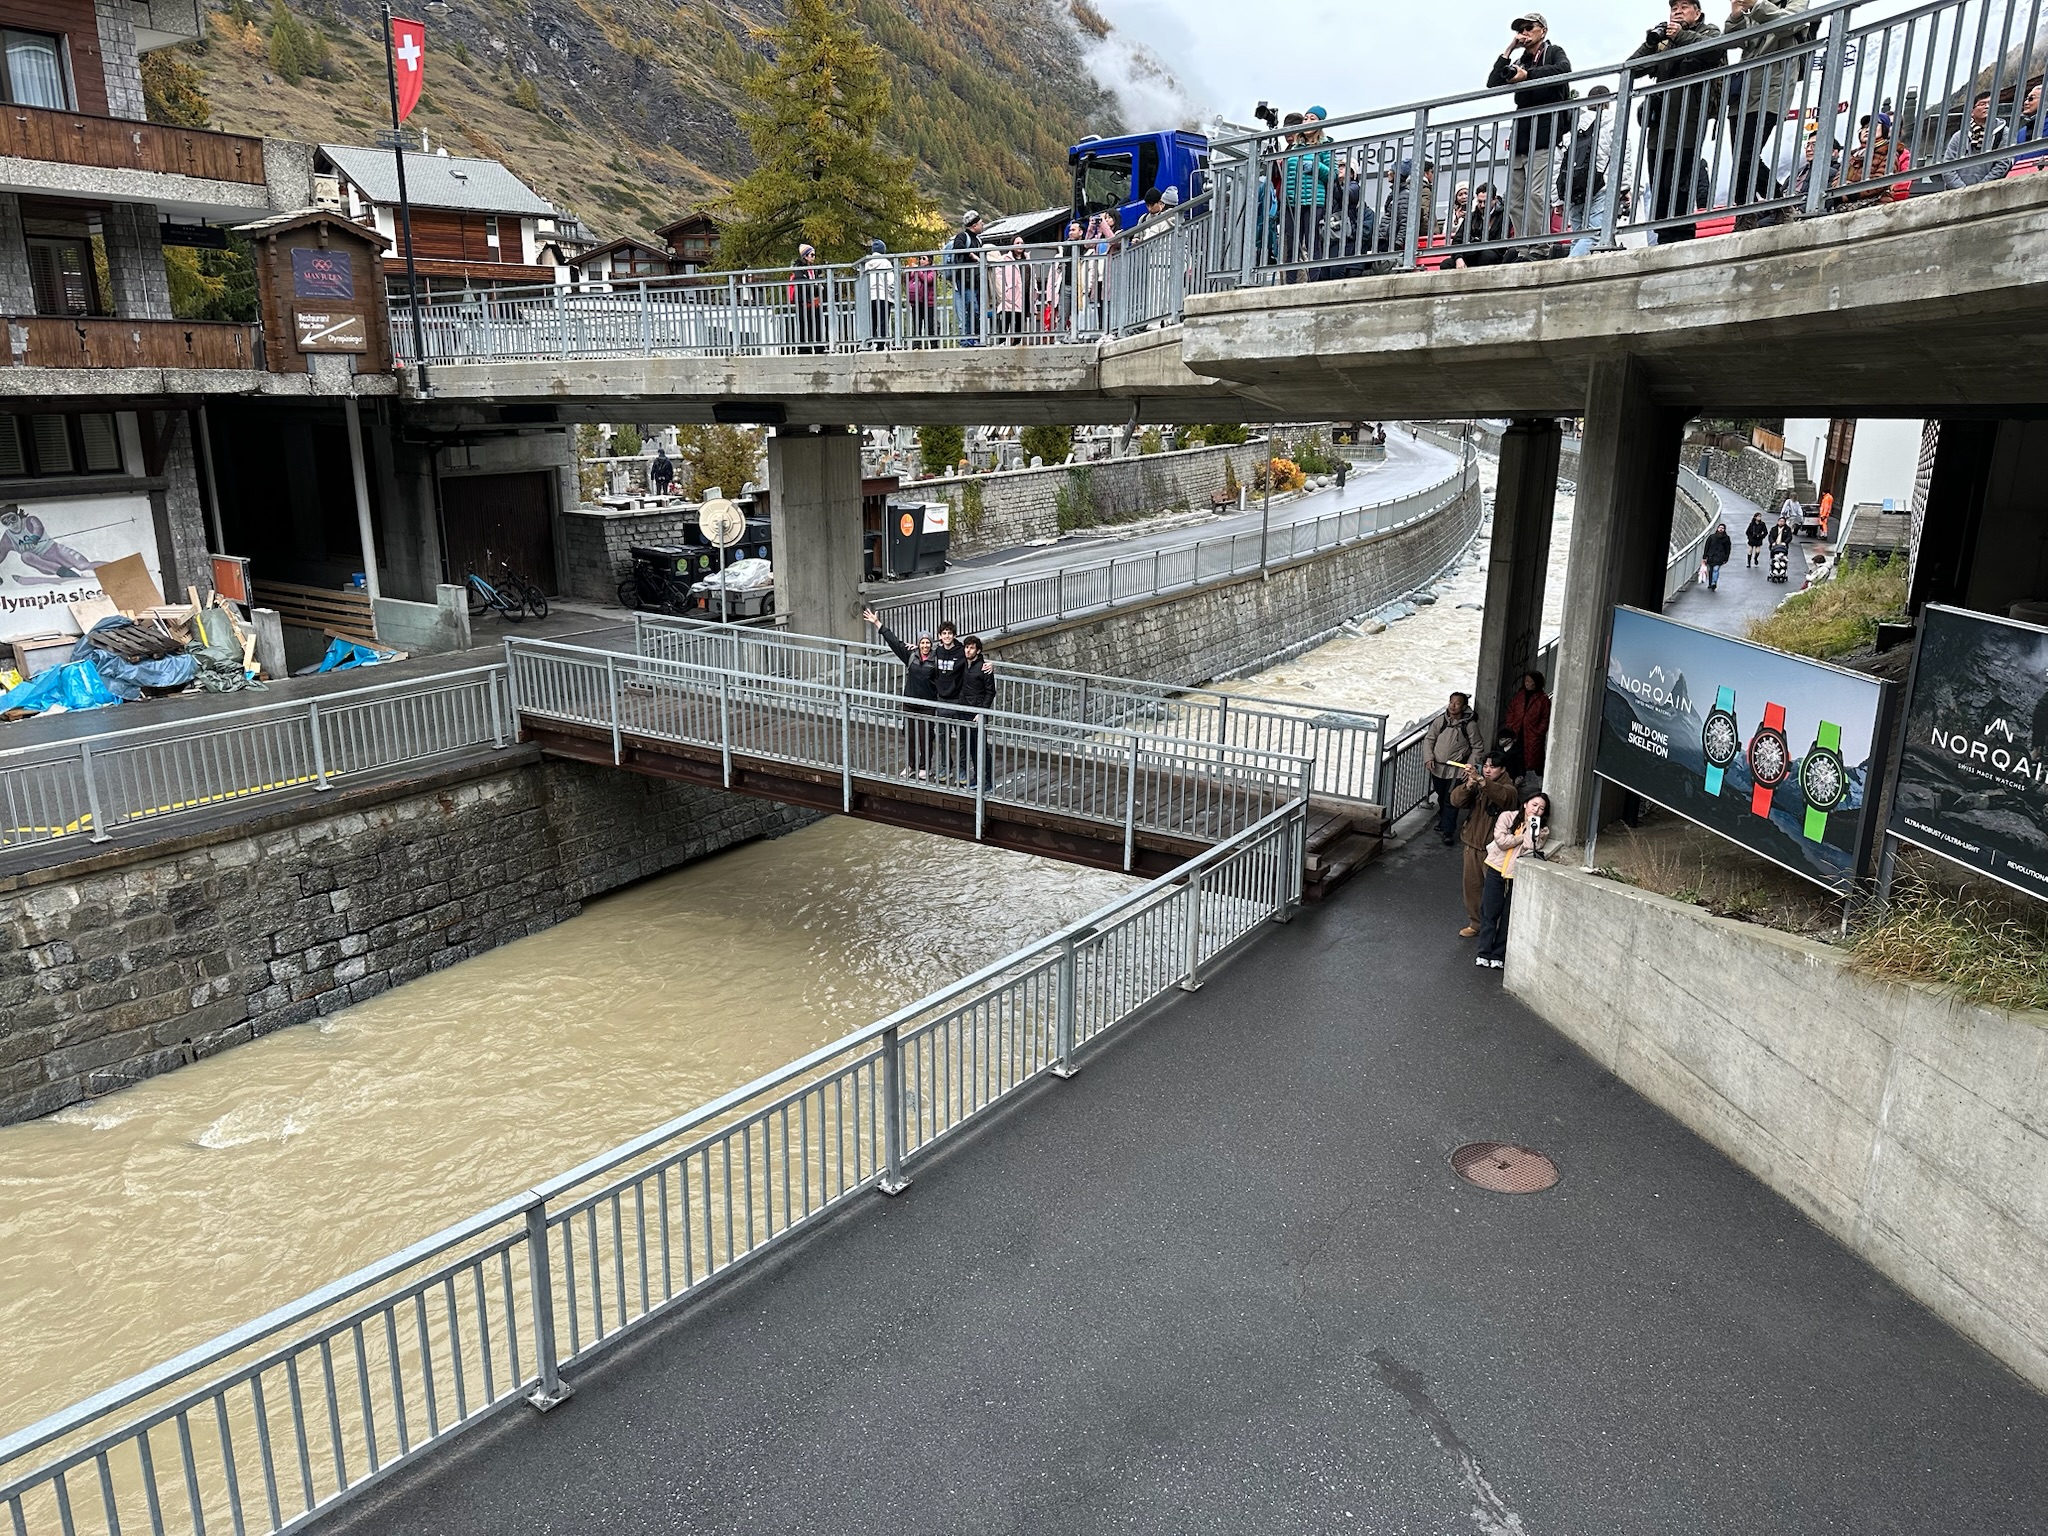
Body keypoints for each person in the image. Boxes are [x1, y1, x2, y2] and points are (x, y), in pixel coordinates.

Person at [1629, 0, 1726, 242]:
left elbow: (1714, 50)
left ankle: (1682, 237)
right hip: (1660, 126)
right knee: (1659, 185)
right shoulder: (1663, 41)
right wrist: (1650, 42)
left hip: (1689, 121)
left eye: (1684, 6)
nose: (1677, 11)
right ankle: (1664, 238)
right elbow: (1631, 67)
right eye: (1674, 8)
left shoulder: (1708, 31)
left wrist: (1681, 35)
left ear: (1698, 12)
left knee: (1680, 184)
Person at [1487, 13, 1574, 252]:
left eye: (1528, 28)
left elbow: (1564, 70)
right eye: (1520, 29)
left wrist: (1529, 76)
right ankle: (1523, 248)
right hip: (1522, 137)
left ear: (1542, 30)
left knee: (1537, 195)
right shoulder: (1520, 60)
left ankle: (1539, 247)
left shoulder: (1553, 51)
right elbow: (1493, 82)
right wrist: (1509, 50)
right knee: (1515, 201)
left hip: (1544, 135)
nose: (1524, 33)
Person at [1721, 0, 1804, 217]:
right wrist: (1736, 17)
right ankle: (1778, 204)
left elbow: (1789, 24)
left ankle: (1744, 213)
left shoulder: (1791, 2)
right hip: (1744, 91)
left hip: (1771, 89)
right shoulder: (1752, 8)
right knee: (1742, 156)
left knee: (1746, 155)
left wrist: (1756, 5)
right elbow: (1734, 41)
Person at [1476, 791, 1550, 968]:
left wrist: (1531, 831)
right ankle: (1483, 952)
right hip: (1496, 868)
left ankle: (1498, 954)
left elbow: (1531, 847)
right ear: (1525, 804)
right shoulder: (1507, 817)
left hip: (1516, 874)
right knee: (1490, 911)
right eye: (1534, 805)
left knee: (1508, 914)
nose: (1536, 810)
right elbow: (1501, 841)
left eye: (1541, 809)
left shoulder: (1542, 829)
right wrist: (1520, 836)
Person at [1452, 752, 1522, 937]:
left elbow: (1504, 797)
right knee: (1472, 886)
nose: (1488, 769)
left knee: (1495, 891)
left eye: (1493, 766)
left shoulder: (1509, 787)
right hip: (1472, 843)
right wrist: (1469, 785)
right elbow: (1456, 801)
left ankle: (1495, 927)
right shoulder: (1478, 783)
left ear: (1503, 769)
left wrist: (1482, 781)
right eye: (1486, 766)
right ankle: (1476, 923)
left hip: (1496, 849)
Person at [863, 608, 939, 776]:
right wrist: (877, 623)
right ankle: (911, 765)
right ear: (918, 643)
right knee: (910, 736)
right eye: (922, 642)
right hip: (910, 703)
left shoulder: (936, 659)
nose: (925, 645)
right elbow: (894, 642)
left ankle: (925, 767)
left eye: (928, 642)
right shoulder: (911, 655)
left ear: (931, 644)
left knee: (926, 737)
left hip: (927, 704)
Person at [1423, 692, 1486, 847]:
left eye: (1457, 703)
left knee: (1451, 799)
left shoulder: (1469, 725)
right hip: (1438, 768)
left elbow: (1477, 747)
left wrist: (1469, 766)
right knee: (1441, 795)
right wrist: (1428, 757)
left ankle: (1448, 832)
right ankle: (1444, 819)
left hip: (1457, 770)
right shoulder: (1440, 721)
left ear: (1464, 706)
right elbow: (1429, 739)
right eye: (1451, 702)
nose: (1453, 706)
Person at [1563, 86, 1617, 255]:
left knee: (1578, 236)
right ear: (1607, 103)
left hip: (1574, 186)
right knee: (1594, 234)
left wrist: (1556, 197)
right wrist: (1624, 187)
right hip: (1601, 185)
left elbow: (1560, 160)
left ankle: (1569, 276)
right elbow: (1623, 156)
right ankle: (1566, 271)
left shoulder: (1573, 128)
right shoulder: (1614, 124)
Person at [1281, 108, 1335, 278]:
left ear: (1320, 123)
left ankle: (1314, 281)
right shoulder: (1295, 147)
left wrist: (1316, 167)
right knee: (1291, 243)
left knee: (1312, 242)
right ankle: (1290, 283)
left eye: (1312, 118)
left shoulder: (1326, 145)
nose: (1308, 121)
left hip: (1314, 200)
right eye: (1305, 118)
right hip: (1292, 201)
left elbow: (1332, 174)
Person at [1942, 92, 2015, 190]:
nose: (1987, 107)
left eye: (1990, 103)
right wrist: (1962, 190)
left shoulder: (2003, 133)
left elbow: (2003, 163)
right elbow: (1948, 167)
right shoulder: (1959, 136)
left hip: (1990, 192)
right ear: (1972, 111)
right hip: (1958, 195)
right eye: (1982, 104)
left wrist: (1980, 188)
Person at [929, 620, 969, 779]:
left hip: (957, 701)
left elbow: (975, 660)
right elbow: (923, 654)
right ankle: (946, 767)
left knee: (961, 738)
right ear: (939, 636)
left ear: (954, 635)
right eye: (944, 633)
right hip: (941, 700)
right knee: (943, 737)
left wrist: (989, 665)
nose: (947, 636)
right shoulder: (937, 651)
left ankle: (962, 769)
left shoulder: (961, 651)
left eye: (949, 633)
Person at [957, 634, 997, 786]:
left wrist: (982, 712)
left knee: (982, 748)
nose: (968, 650)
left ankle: (987, 780)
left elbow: (990, 692)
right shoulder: (964, 664)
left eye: (971, 648)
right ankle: (977, 777)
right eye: (966, 647)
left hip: (977, 713)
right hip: (964, 710)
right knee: (972, 746)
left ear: (978, 651)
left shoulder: (984, 668)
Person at [1501, 670, 1551, 782]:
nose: (1527, 683)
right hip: (1516, 730)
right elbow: (1511, 710)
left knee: (1531, 757)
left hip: (1532, 734)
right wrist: (1510, 724)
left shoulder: (1543, 699)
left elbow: (1545, 717)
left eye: (1530, 681)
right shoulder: (1519, 695)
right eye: (1526, 681)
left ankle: (1528, 778)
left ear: (1536, 683)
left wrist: (1539, 731)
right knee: (1513, 754)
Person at [1451, 182, 1514, 266]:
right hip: (1471, 254)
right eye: (1480, 202)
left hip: (1492, 256)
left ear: (1494, 199)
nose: (1482, 205)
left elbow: (1500, 246)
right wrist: (1458, 258)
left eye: (1486, 202)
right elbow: (1457, 240)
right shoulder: (1472, 217)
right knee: (1447, 264)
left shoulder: (1504, 216)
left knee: (1487, 256)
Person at [947, 211, 985, 346]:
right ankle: (968, 340)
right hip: (965, 281)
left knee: (976, 310)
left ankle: (973, 338)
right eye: (981, 223)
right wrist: (972, 256)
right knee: (970, 310)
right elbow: (958, 246)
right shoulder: (963, 237)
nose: (983, 225)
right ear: (974, 225)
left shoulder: (978, 240)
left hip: (976, 281)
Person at [859, 238, 896, 348]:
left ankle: (868, 343)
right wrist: (893, 294)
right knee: (883, 321)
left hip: (870, 296)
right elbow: (891, 282)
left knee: (872, 321)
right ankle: (881, 344)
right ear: (883, 251)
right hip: (884, 296)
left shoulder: (867, 264)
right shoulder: (886, 263)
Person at [992, 238, 1030, 342]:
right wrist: (1003, 290)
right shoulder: (1005, 259)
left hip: (1024, 295)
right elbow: (998, 274)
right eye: (1017, 243)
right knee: (1005, 321)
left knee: (1020, 323)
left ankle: (1016, 345)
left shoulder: (1027, 259)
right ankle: (1001, 343)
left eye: (1022, 243)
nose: (1020, 245)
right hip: (1010, 295)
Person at [790, 243, 826, 351]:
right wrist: (815, 291)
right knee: (804, 325)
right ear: (805, 256)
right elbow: (802, 286)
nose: (814, 257)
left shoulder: (813, 270)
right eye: (812, 255)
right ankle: (804, 348)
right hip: (803, 302)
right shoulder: (799, 270)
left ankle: (819, 347)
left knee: (817, 325)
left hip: (814, 302)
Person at [904, 253, 938, 347]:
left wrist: (917, 270)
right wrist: (908, 271)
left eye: (923, 258)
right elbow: (908, 281)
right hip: (917, 301)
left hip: (928, 302)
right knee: (917, 324)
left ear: (929, 260)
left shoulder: (933, 270)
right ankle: (916, 343)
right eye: (920, 258)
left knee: (930, 325)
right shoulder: (916, 270)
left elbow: (928, 279)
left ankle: (933, 344)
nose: (921, 260)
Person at [1702, 520, 1733, 590]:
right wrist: (1704, 556)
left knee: (1716, 570)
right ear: (1717, 528)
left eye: (1722, 528)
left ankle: (1713, 583)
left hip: (1720, 557)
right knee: (1711, 570)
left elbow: (1728, 549)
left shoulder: (1726, 539)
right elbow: (1707, 546)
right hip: (1711, 557)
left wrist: (1726, 558)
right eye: (1720, 528)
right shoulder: (1711, 537)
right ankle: (1711, 583)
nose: (1721, 529)